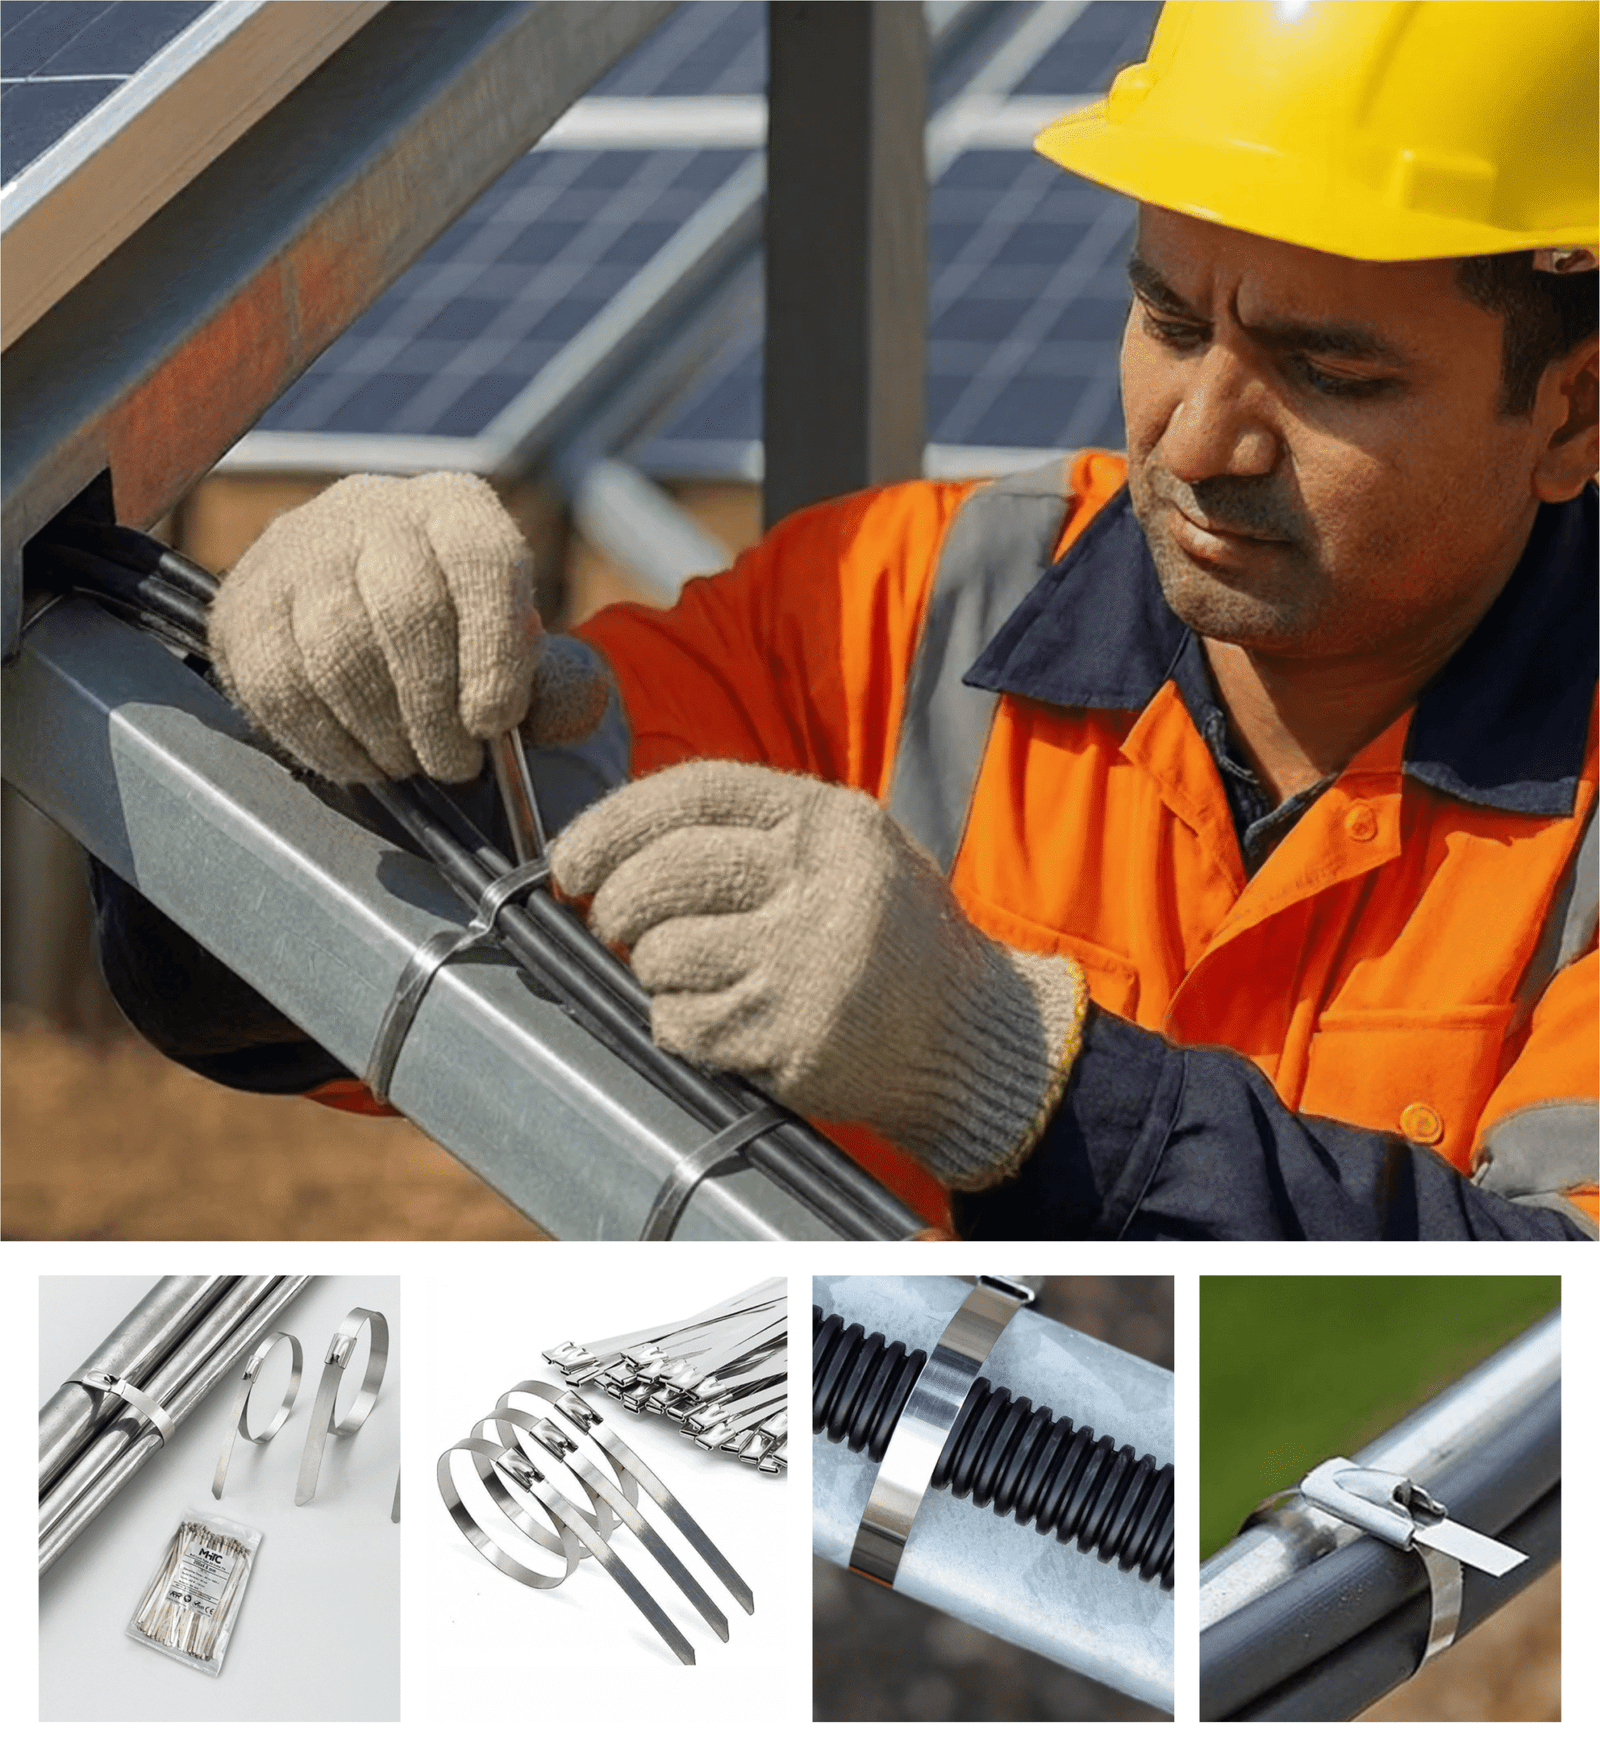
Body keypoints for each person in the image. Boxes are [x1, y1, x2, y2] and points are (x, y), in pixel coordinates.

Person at [95, 0, 1597, 1239]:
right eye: (1170, 320)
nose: (1203, 441)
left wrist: (1013, 1076)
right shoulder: (900, 610)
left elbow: (1539, 1357)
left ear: (1572, 413)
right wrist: (324, 740)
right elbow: (344, 955)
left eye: (1331, 376)